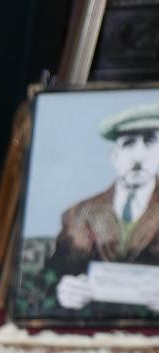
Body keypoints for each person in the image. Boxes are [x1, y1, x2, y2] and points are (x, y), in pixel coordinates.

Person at [49, 102, 159, 311]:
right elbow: (54, 272)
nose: (138, 156)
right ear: (114, 156)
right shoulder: (78, 213)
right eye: (128, 144)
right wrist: (63, 290)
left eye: (150, 142)